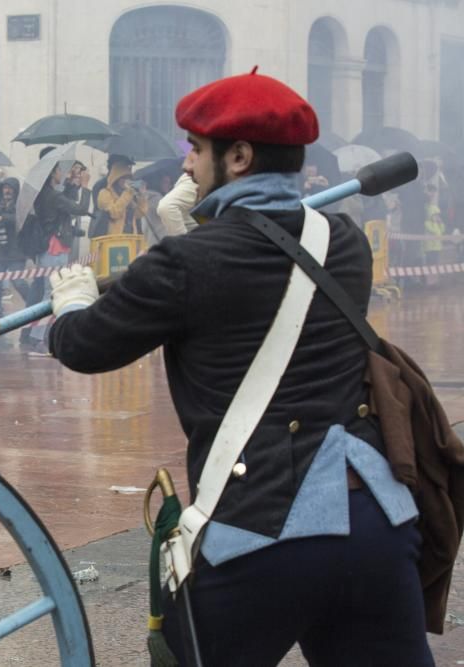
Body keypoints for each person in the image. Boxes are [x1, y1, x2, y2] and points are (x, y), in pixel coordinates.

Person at [48, 70, 432, 665]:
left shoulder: (185, 263)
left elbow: (82, 346)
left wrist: (71, 299)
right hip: (376, 524)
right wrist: (193, 229)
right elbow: (262, 255)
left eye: (197, 152)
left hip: (262, 530)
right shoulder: (345, 242)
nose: (185, 168)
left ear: (241, 156)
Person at [27, 161, 90, 356]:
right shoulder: (52, 195)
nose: (62, 173)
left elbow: (65, 205)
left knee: (55, 292)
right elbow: (79, 208)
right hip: (53, 249)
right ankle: (37, 338)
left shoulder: (49, 193)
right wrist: (85, 187)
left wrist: (72, 185)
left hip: (55, 247)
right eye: (59, 170)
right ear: (52, 173)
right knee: (51, 293)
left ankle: (47, 335)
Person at [0, 177, 31, 320]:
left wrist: (3, 218)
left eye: (10, 188)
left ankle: (33, 304)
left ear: (15, 190)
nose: (7, 190)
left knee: (18, 282)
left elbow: (20, 220)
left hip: (16, 253)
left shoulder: (21, 205)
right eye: (5, 188)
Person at [95, 161, 148, 236]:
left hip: (130, 238)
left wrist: (142, 197)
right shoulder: (105, 193)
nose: (126, 180)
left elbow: (139, 214)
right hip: (111, 239)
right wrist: (128, 193)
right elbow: (113, 213)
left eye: (129, 178)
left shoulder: (128, 194)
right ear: (116, 178)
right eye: (123, 177)